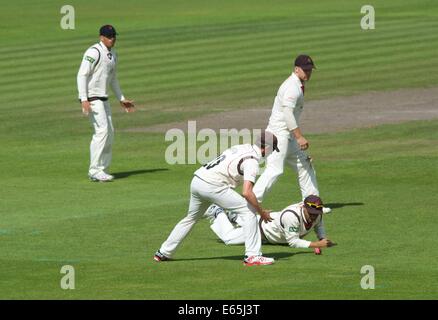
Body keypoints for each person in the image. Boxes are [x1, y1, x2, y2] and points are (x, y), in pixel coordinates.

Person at [154, 131, 280, 266]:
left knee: (190, 218)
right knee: (249, 211)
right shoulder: (252, 162)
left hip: (197, 180)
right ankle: (253, 256)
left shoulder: (241, 147)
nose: (271, 153)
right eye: (272, 150)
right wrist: (261, 212)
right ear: (266, 148)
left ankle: (163, 252)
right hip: (213, 185)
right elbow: (247, 192)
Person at [253, 55, 331, 213]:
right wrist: (299, 136)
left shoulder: (298, 84)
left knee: (305, 164)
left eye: (310, 70)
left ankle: (312, 205)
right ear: (296, 69)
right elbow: (287, 113)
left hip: (286, 136)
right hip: (278, 134)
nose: (308, 73)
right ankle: (249, 204)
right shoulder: (292, 87)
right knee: (274, 170)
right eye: (305, 70)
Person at [77, 24, 135, 182]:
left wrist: (122, 99)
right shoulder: (93, 52)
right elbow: (82, 75)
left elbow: (113, 79)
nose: (112, 39)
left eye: (114, 36)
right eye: (109, 37)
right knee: (101, 132)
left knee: (110, 133)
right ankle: (94, 169)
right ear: (101, 37)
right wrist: (83, 99)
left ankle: (102, 169)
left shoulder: (114, 54)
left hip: (104, 99)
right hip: (92, 98)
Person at [205, 195, 336, 252]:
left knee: (246, 220)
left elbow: (319, 225)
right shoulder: (292, 216)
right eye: (311, 212)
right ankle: (217, 211)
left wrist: (322, 237)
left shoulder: (317, 214)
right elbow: (293, 242)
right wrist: (316, 244)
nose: (314, 216)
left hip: (269, 226)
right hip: (260, 230)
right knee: (228, 238)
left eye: (316, 213)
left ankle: (234, 216)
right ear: (304, 207)